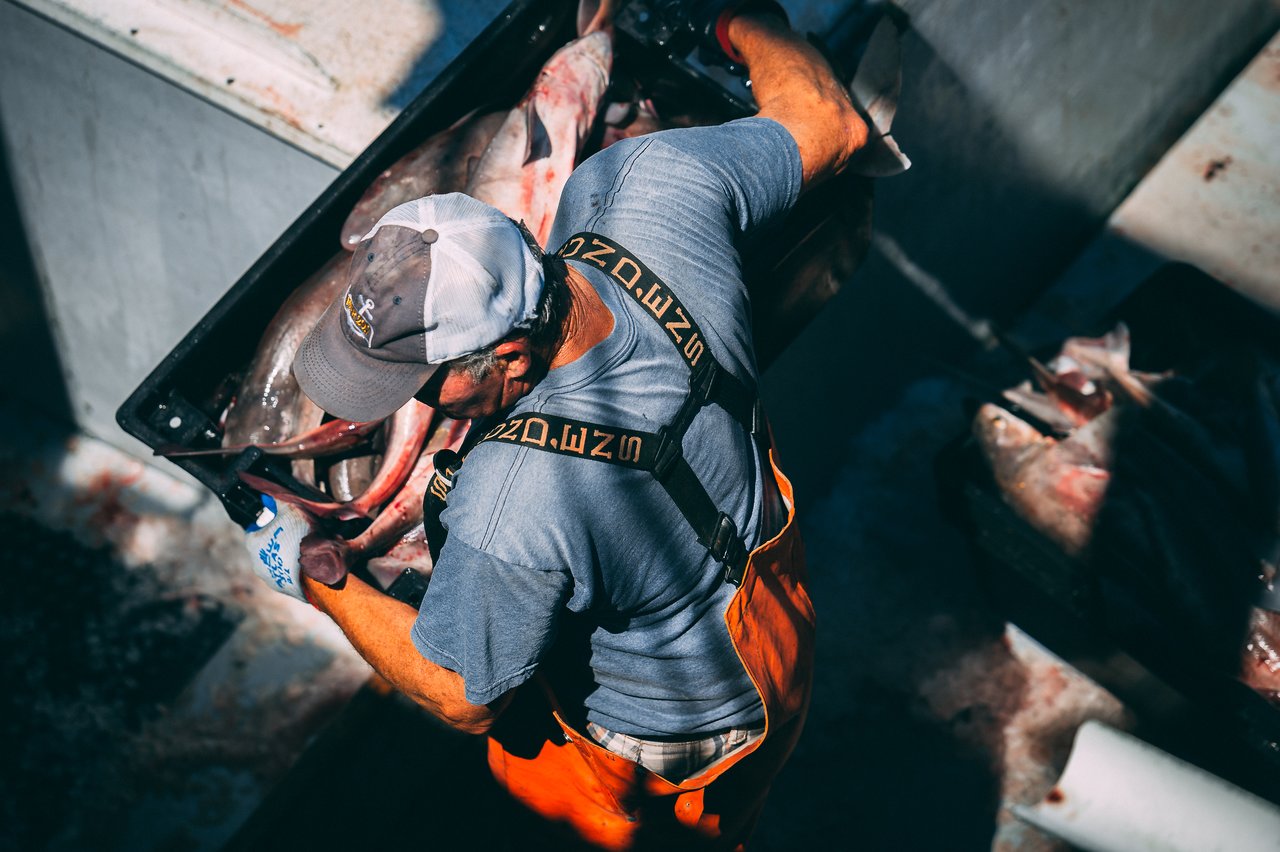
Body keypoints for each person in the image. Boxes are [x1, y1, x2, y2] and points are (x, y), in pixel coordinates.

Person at [262, 4, 868, 848]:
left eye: (426, 383)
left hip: (658, 752)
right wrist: (744, 22)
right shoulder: (648, 186)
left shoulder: (513, 499)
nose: (416, 403)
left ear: (508, 353)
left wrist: (319, 577)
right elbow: (829, 123)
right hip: (775, 612)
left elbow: (462, 695)